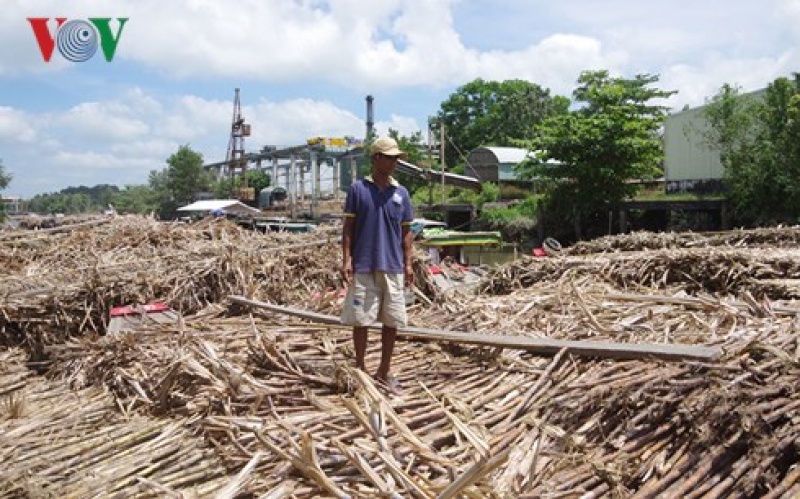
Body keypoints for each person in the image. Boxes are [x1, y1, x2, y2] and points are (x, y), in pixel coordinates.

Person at [340, 136, 414, 387]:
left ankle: (383, 370)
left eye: (396, 158)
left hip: (392, 266)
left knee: (392, 320)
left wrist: (409, 264)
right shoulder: (358, 190)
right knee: (361, 319)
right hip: (363, 264)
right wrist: (346, 260)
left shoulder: (401, 193)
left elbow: (406, 232)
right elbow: (348, 228)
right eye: (390, 157)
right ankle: (360, 367)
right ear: (376, 159)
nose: (394, 162)